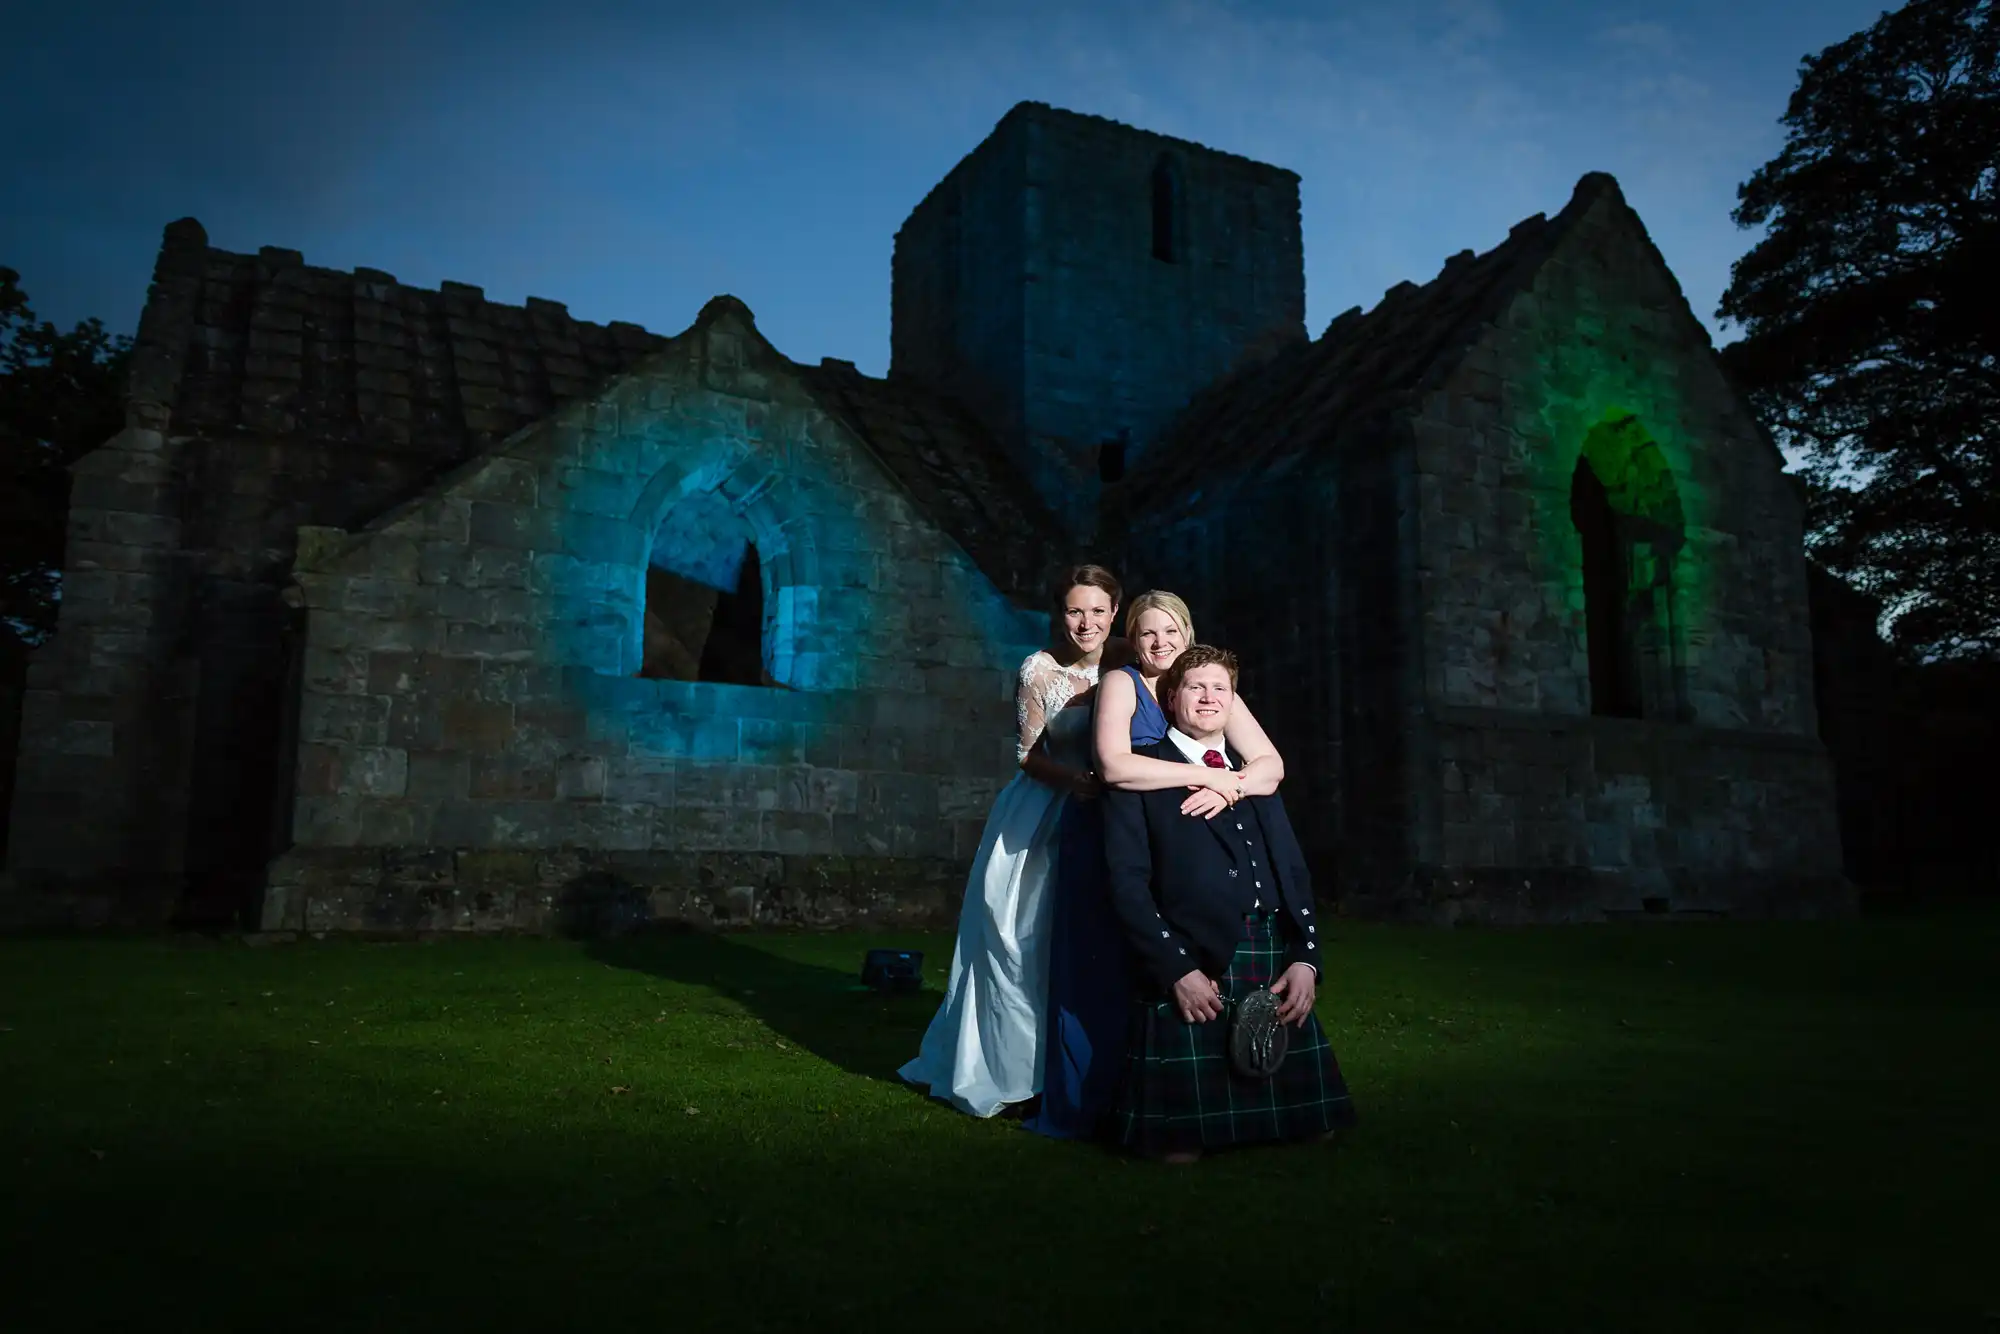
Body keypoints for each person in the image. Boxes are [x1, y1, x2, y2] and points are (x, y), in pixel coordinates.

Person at [1025, 591, 1285, 1140]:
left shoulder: (1202, 684)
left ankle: (1175, 1091)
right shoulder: (1123, 682)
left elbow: (1270, 765)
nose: (1160, 642)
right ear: (1133, 639)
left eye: (1171, 631)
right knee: (1101, 965)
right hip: (1115, 830)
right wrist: (1210, 777)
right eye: (1148, 633)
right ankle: (1089, 1103)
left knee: (1167, 962)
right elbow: (1115, 765)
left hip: (1185, 843)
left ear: (1187, 634)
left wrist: (1230, 784)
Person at [1101, 644, 1357, 1161]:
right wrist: (1176, 970)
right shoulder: (1143, 772)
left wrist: (1306, 957)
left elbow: (1291, 870)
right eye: (1195, 687)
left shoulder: (1253, 775)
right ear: (1171, 700)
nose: (1209, 697)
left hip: (1265, 955)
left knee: (1317, 1131)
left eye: (1220, 688)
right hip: (1193, 956)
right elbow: (1126, 884)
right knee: (1178, 1152)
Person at [898, 565, 1124, 1117]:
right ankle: (1017, 1073)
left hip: (1112, 811)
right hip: (1042, 813)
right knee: (1021, 940)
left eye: (1097, 610)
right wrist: (1075, 783)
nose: (1086, 622)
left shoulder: (1129, 662)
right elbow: (1027, 755)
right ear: (1059, 613)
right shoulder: (1038, 670)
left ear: (1115, 612)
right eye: (1075, 610)